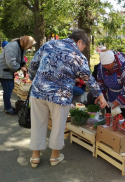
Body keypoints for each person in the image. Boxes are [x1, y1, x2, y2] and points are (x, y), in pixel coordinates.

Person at [28, 29, 108, 168]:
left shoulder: (49, 44)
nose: (83, 50)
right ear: (79, 41)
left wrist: (35, 80)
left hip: (38, 91)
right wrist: (100, 96)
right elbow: (88, 78)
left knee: (38, 124)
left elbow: (33, 65)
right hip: (60, 96)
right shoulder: (77, 55)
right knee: (58, 126)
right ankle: (54, 157)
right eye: (84, 46)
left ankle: (35, 157)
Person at [0, 36, 36, 115]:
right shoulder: (12, 47)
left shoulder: (21, 46)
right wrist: (20, 67)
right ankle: (7, 108)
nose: (30, 48)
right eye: (30, 45)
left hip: (7, 70)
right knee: (8, 88)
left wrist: (23, 64)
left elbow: (21, 57)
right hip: (2, 70)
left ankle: (7, 106)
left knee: (9, 88)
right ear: (26, 43)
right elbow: (11, 63)